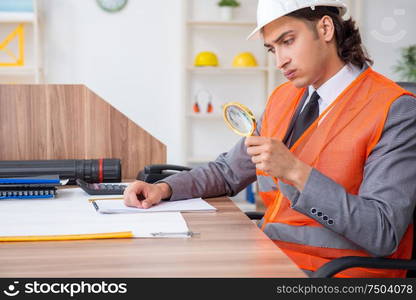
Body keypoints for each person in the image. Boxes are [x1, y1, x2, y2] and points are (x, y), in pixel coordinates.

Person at [124, 0, 416, 278]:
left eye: (288, 41)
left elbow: (383, 232)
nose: (280, 61)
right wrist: (163, 189)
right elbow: (227, 172)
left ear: (326, 29)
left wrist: (294, 171)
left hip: (339, 271)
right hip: (272, 256)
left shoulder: (395, 109)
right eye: (271, 49)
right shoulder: (283, 99)